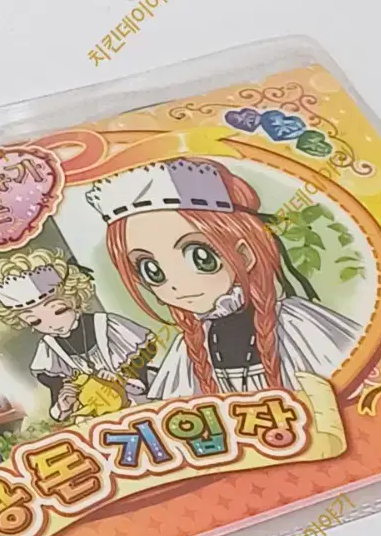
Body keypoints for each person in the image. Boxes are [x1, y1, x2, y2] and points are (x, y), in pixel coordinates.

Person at [86, 157, 362, 398]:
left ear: (244, 254)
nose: (177, 284)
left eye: (200, 256)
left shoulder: (297, 325)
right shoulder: (191, 345)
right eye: (152, 270)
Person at [0, 247, 156, 422]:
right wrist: (64, 405)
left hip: (146, 405)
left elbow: (143, 366)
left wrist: (123, 378)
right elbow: (58, 394)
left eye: (59, 311)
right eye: (35, 322)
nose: (52, 325)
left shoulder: (107, 325)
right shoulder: (49, 349)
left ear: (75, 299)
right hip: (102, 416)